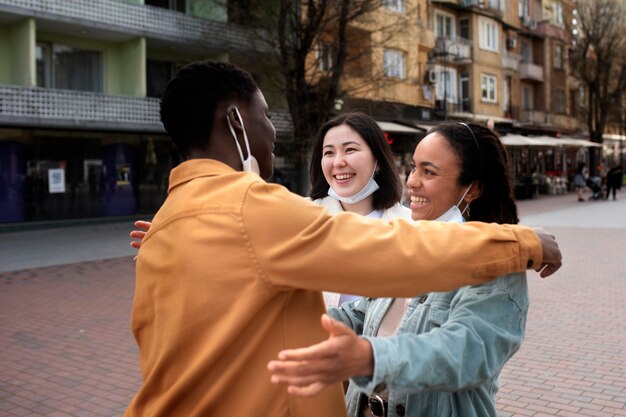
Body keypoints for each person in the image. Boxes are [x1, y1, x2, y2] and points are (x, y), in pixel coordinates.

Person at [124, 59, 561, 417]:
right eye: (266, 116)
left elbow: (464, 348)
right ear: (237, 122)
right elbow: (391, 263)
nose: (274, 131)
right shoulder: (253, 210)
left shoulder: (168, 225)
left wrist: (367, 356)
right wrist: (521, 243)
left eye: (430, 172)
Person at [267, 123, 532, 417]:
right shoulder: (410, 244)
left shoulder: (497, 267)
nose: (413, 182)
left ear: (473, 189)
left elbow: (462, 355)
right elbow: (361, 314)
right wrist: (284, 319)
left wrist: (369, 359)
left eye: (429, 172)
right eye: (414, 168)